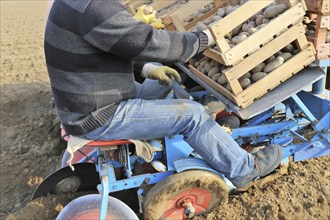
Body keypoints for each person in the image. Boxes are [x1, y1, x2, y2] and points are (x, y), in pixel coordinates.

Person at [44, 0, 282, 188]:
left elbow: (108, 45)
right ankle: (244, 170)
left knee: (170, 84)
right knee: (193, 115)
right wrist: (204, 39)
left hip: (96, 94)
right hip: (98, 113)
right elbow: (148, 42)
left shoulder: (74, 3)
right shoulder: (93, 6)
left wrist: (147, 68)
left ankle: (209, 134)